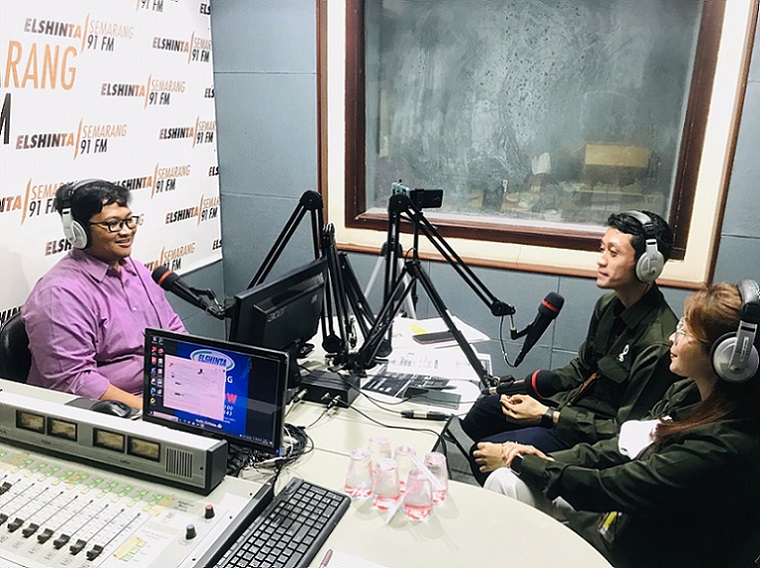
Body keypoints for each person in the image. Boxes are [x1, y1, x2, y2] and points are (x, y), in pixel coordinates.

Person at [481, 281, 760, 568]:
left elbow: (615, 486)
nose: (672, 338)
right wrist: (543, 459)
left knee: (510, 482)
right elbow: (623, 446)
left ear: (729, 357)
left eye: (685, 331)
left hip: (640, 552)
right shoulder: (686, 394)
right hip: (624, 524)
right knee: (505, 482)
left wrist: (524, 463)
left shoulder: (722, 445)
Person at [463, 210, 679, 485]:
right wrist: (533, 390)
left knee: (481, 455)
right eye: (602, 249)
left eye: (613, 253)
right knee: (480, 414)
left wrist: (548, 416)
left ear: (648, 265)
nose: (601, 260)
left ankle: (519, 490)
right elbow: (582, 367)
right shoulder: (608, 306)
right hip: (568, 409)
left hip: (593, 437)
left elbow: (625, 432)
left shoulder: (656, 343)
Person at [22, 179, 185, 408]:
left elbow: (174, 331)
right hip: (111, 412)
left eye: (129, 220)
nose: (126, 231)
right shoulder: (59, 294)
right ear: (78, 232)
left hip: (159, 393)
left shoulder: (137, 271)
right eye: (113, 224)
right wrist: (153, 410)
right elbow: (74, 381)